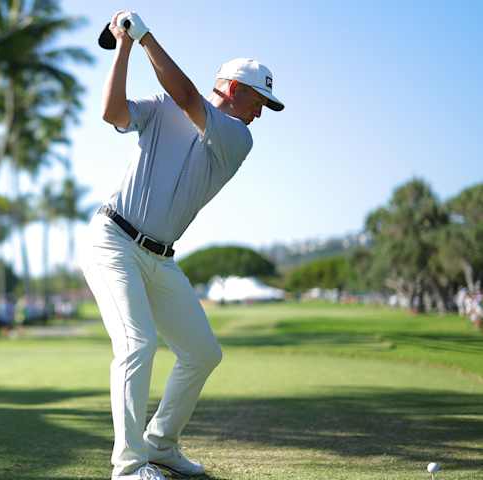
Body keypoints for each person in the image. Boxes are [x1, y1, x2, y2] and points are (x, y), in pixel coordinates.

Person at [81, 11, 284, 480]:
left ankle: (160, 444)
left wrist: (146, 35)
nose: (261, 112)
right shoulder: (162, 107)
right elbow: (112, 113)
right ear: (233, 88)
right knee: (137, 344)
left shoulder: (238, 137)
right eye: (259, 99)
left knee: (202, 352)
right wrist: (126, 47)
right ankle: (129, 468)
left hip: (160, 257)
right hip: (112, 239)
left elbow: (189, 97)